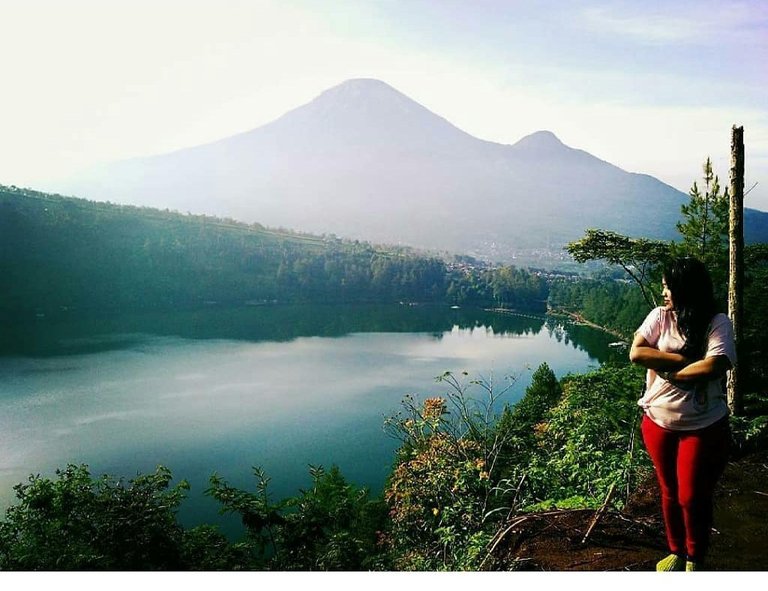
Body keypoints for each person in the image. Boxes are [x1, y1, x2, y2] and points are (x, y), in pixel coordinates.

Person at [629, 257, 735, 572]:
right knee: (669, 490)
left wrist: (674, 373)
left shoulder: (717, 322)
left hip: (702, 427)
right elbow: (637, 352)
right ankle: (676, 551)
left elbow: (717, 363)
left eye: (668, 286)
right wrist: (683, 361)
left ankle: (694, 558)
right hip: (657, 422)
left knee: (692, 495)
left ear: (686, 290)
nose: (664, 292)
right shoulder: (660, 317)